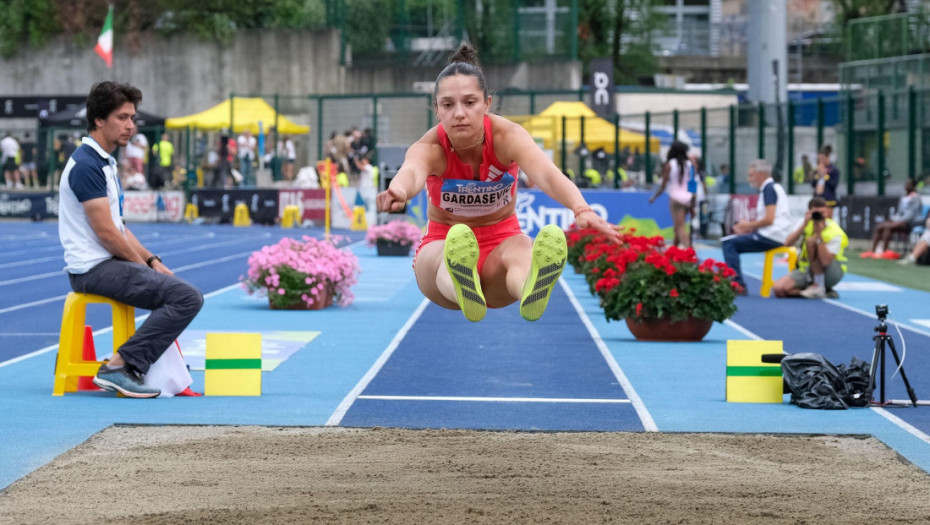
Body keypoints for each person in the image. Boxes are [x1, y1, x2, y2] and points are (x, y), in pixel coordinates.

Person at [376, 44, 621, 323]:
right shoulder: (430, 147)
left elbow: (547, 173)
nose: (459, 113)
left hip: (500, 248)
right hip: (444, 242)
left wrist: (581, 208)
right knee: (445, 255)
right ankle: (463, 287)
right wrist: (399, 189)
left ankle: (529, 289)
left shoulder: (508, 137)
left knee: (521, 249)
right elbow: (412, 171)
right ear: (437, 110)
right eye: (448, 104)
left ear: (487, 104)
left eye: (470, 102)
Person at [58, 81, 203, 398]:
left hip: (106, 264)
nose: (131, 126)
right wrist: (142, 267)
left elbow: (119, 227)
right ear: (99, 120)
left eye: (132, 118)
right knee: (186, 298)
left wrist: (152, 261)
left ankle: (140, 367)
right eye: (122, 118)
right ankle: (120, 366)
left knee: (178, 289)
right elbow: (107, 234)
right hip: (92, 269)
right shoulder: (86, 166)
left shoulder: (103, 162)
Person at [721, 159, 793, 295]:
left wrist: (747, 225)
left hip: (773, 236)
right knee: (731, 241)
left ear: (761, 174)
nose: (749, 179)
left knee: (728, 243)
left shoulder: (769, 189)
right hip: (774, 233)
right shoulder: (771, 188)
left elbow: (769, 219)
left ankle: (738, 284)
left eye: (751, 175)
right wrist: (749, 228)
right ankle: (736, 283)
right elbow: (769, 218)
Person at [771, 197, 848, 299]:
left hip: (831, 271)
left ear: (828, 212)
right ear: (809, 212)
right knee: (779, 289)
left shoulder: (835, 231)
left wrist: (819, 235)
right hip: (807, 269)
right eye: (816, 213)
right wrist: (804, 224)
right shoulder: (807, 224)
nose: (820, 216)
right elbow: (787, 244)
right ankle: (818, 292)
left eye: (823, 212)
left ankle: (818, 285)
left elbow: (825, 261)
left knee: (811, 242)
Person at [860, 179, 923, 259]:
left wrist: (899, 220)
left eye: (909, 184)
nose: (906, 186)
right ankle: (873, 251)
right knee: (880, 226)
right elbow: (900, 212)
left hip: (910, 222)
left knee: (888, 227)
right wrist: (893, 219)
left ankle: (884, 251)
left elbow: (913, 213)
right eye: (906, 184)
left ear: (913, 186)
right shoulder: (904, 196)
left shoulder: (916, 197)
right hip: (900, 220)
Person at [649, 141, 694, 248]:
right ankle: (674, 250)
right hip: (688, 197)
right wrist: (693, 199)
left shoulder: (670, 165)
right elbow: (692, 183)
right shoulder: (689, 164)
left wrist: (654, 197)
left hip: (676, 198)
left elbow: (663, 185)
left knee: (680, 227)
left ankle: (689, 250)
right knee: (677, 226)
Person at [812, 145, 839, 218]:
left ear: (827, 157)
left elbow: (833, 184)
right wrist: (818, 175)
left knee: (828, 221)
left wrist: (825, 175)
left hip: (828, 200)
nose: (821, 161)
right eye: (819, 159)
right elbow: (813, 184)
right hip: (818, 199)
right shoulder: (817, 170)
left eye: (822, 158)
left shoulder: (833, 170)